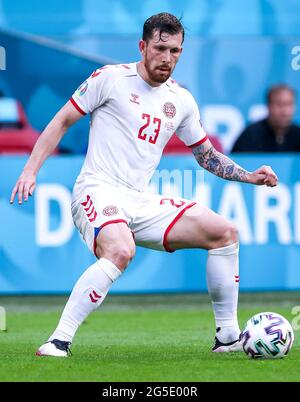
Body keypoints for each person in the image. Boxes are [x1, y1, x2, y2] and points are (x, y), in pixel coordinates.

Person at [10, 13, 278, 357]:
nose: (167, 58)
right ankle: (58, 340)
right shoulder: (110, 79)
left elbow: (207, 155)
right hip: (97, 189)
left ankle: (227, 337)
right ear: (143, 46)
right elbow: (62, 120)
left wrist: (249, 176)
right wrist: (31, 171)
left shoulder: (180, 100)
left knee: (224, 231)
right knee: (120, 250)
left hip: (139, 200)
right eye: (161, 48)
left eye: (176, 51)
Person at [232, 84, 300, 152]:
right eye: (279, 104)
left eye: (289, 104)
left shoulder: (298, 134)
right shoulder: (250, 136)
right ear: (268, 106)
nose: (285, 111)